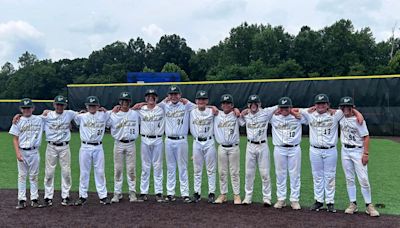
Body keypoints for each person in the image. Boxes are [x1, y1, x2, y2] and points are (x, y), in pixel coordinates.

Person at [300, 94, 363, 212]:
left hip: (330, 150)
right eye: (318, 103)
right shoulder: (309, 114)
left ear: (328, 105)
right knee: (317, 176)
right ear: (315, 105)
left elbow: (348, 109)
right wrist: (308, 109)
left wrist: (358, 113)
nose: (321, 105)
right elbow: (293, 110)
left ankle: (329, 202)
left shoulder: (336, 114)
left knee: (330, 176)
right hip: (314, 149)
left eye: (324, 103)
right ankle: (318, 201)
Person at [338, 96, 379, 217]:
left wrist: (366, 153)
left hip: (357, 151)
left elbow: (366, 137)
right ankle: (353, 204)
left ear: (352, 107)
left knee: (363, 179)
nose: (346, 108)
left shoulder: (358, 120)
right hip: (345, 150)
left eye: (348, 106)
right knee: (349, 178)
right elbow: (329, 110)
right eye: (344, 106)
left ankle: (369, 205)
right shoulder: (340, 117)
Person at [158, 85, 195, 203]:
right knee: (170, 167)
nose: (174, 96)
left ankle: (185, 194)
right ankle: (170, 193)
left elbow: (200, 107)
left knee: (183, 167)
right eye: (171, 94)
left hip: (182, 140)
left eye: (176, 94)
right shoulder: (164, 105)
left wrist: (187, 101)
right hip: (168, 140)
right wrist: (164, 100)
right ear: (168, 96)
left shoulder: (186, 105)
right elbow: (152, 107)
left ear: (180, 95)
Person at [239, 94, 277, 206]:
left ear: (259, 104)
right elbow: (239, 119)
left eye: (256, 103)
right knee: (249, 173)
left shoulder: (265, 112)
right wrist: (241, 112)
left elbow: (280, 106)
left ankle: (267, 198)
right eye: (251, 104)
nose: (253, 105)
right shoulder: (246, 115)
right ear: (248, 105)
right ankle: (248, 197)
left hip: (263, 145)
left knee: (265, 173)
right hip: (250, 146)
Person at [74, 96, 111, 206]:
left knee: (100, 171)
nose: (92, 107)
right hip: (85, 146)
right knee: (84, 172)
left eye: (94, 105)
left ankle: (103, 196)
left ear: (98, 106)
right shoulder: (81, 116)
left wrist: (106, 110)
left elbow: (115, 111)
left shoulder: (104, 115)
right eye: (90, 106)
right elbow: (71, 116)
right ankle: (82, 196)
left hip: (98, 147)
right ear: (86, 106)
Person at [270, 97, 306, 210]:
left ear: (291, 107)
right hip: (279, 148)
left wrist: (294, 112)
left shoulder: (298, 117)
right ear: (279, 108)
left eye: (287, 107)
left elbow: (311, 111)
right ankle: (281, 198)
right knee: (280, 174)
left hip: (294, 148)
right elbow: (259, 113)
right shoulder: (273, 117)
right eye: (282, 107)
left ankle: (294, 199)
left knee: (295, 174)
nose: (284, 109)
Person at [9, 98, 44, 209]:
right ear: (21, 109)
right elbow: (15, 138)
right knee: (22, 176)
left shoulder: (40, 119)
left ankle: (34, 199)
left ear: (33, 108)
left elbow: (51, 114)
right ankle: (22, 199)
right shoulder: (18, 120)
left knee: (34, 176)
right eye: (24, 108)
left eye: (28, 108)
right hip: (22, 151)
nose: (26, 110)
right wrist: (17, 153)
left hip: (34, 151)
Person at [108, 92, 140, 203]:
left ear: (130, 102)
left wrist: (142, 103)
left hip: (131, 143)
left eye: (126, 101)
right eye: (122, 101)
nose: (124, 103)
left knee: (131, 169)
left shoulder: (135, 114)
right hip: (118, 143)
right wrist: (111, 110)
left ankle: (132, 192)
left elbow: (148, 108)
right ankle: (117, 193)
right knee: (118, 169)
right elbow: (101, 115)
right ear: (119, 102)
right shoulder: (113, 114)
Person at [136, 89, 165, 203]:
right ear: (145, 98)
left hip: (158, 139)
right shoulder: (140, 110)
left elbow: (169, 100)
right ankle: (143, 192)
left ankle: (158, 193)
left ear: (157, 98)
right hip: (144, 139)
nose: (151, 98)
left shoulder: (162, 108)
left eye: (153, 96)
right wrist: (141, 104)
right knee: (145, 166)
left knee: (158, 166)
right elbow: (129, 110)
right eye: (148, 96)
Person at [213, 94, 242, 205]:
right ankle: (223, 194)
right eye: (224, 103)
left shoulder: (235, 115)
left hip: (234, 147)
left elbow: (243, 121)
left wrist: (237, 111)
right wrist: (212, 107)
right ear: (221, 105)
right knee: (222, 172)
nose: (226, 105)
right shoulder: (216, 114)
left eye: (228, 103)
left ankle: (236, 195)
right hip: (222, 147)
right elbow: (202, 107)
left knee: (234, 172)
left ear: (232, 105)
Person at [190, 90, 216, 203]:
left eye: (203, 99)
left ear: (207, 101)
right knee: (197, 169)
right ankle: (197, 193)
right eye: (199, 99)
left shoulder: (213, 111)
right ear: (196, 101)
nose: (201, 101)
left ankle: (211, 193)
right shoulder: (191, 111)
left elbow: (226, 111)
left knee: (210, 169)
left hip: (209, 142)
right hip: (196, 142)